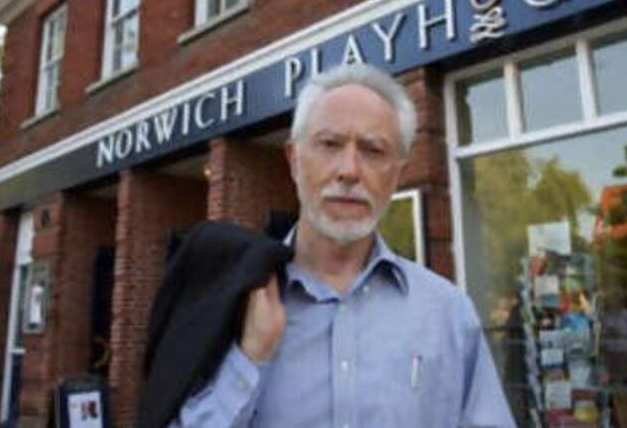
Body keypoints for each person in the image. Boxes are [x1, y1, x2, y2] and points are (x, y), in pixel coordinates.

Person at [171, 64, 516, 427]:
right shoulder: (229, 305)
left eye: (373, 150)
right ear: (293, 160)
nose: (349, 170)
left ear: (398, 171)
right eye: (330, 144)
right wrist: (249, 359)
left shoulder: (448, 313)